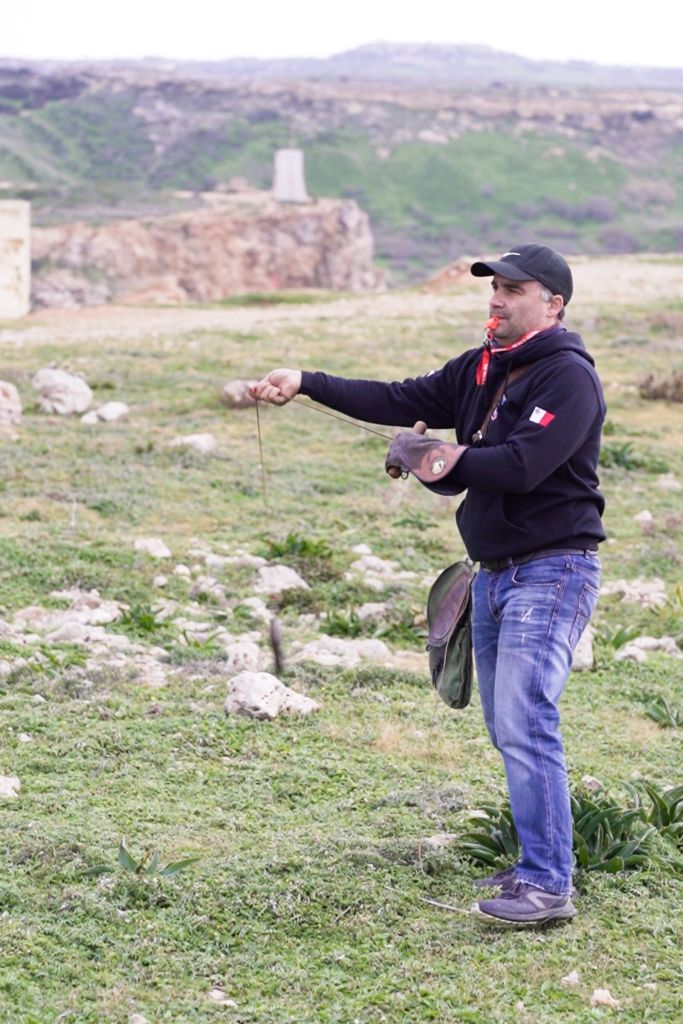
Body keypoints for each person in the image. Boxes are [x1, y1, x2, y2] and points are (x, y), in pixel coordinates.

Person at [250, 244, 605, 928]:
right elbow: (398, 399)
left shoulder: (567, 377)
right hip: (495, 574)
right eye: (493, 287)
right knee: (509, 726)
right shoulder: (478, 368)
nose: (496, 299)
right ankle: (538, 862)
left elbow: (520, 465)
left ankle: (546, 886)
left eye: (513, 290)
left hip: (552, 569)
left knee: (526, 719)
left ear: (552, 303)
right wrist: (305, 380)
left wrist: (427, 457)